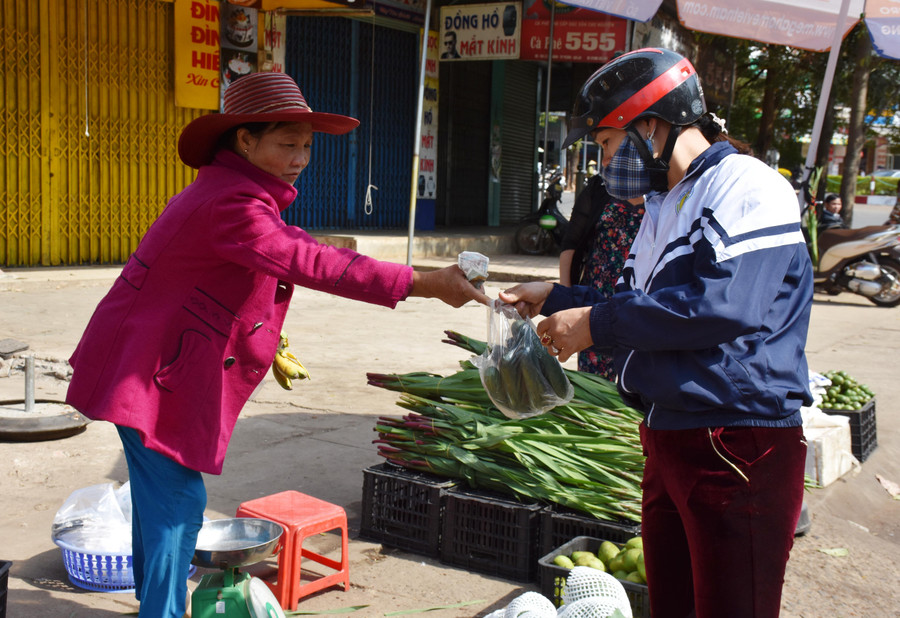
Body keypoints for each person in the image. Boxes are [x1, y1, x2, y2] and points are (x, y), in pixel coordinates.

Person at [65, 72, 489, 618]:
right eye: (287, 143)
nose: (300, 158)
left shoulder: (235, 192)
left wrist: (268, 333)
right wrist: (422, 282)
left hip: (156, 363)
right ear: (245, 140)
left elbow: (245, 270)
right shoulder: (231, 202)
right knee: (177, 503)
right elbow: (309, 260)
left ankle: (157, 605)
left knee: (161, 504)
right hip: (144, 371)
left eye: (307, 146)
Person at [500, 48, 812, 618]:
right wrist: (561, 298)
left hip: (737, 442)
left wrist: (593, 325)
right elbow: (642, 306)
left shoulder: (746, 184)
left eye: (607, 143)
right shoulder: (667, 204)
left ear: (651, 123)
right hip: (669, 433)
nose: (604, 163)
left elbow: (721, 308)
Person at [558, 175, 644, 379]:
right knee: (595, 382)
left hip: (640, 306)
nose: (606, 156)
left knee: (638, 382)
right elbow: (571, 244)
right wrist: (567, 300)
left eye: (608, 142)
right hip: (595, 305)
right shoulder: (599, 188)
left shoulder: (663, 189)